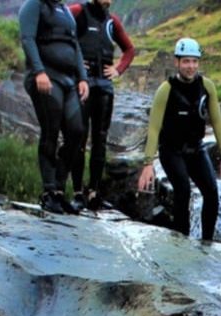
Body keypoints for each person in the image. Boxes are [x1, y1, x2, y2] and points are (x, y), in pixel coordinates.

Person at [137, 38, 221, 241]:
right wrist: (147, 164)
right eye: (186, 61)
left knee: (212, 192)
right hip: (171, 151)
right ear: (177, 62)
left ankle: (207, 242)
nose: (191, 66)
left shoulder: (207, 87)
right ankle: (181, 241)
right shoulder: (166, 90)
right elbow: (153, 128)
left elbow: (217, 122)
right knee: (183, 190)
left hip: (196, 150)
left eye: (194, 61)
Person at [19, 0, 89, 215]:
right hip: (46, 77)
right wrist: (39, 71)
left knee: (77, 132)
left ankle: (59, 188)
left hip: (69, 80)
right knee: (51, 130)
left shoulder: (66, 11)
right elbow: (27, 39)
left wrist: (82, 78)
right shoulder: (34, 5)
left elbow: (74, 45)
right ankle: (49, 192)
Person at [67, 0, 135, 212]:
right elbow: (58, 31)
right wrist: (73, 62)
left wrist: (118, 69)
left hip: (104, 85)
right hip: (82, 81)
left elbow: (130, 49)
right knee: (79, 136)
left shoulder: (112, 21)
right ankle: (78, 193)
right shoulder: (77, 11)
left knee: (100, 139)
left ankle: (94, 193)